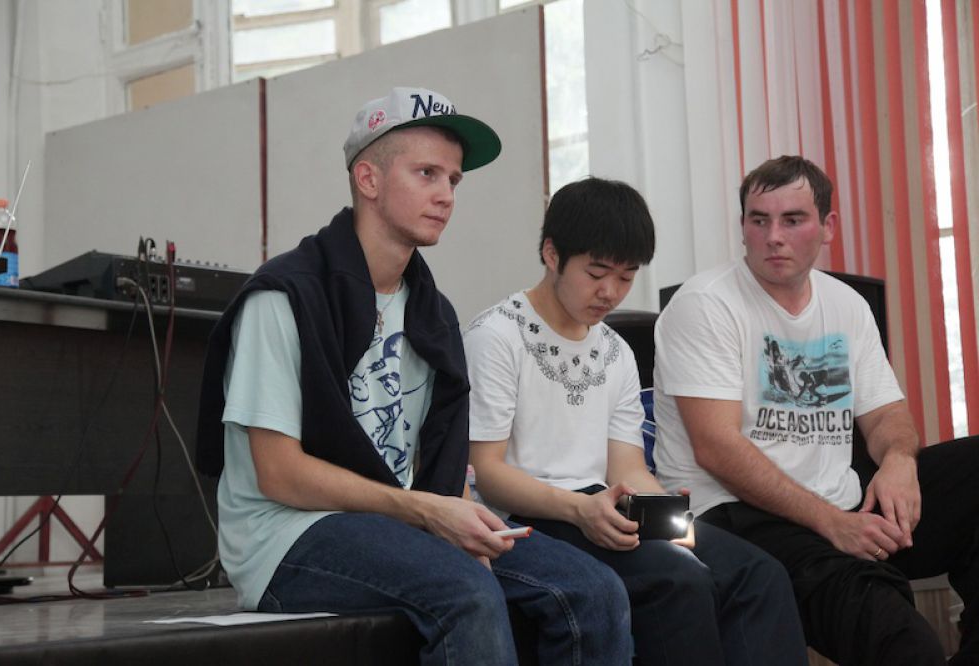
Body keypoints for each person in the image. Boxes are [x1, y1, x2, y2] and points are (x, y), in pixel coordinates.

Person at [195, 87, 634, 665]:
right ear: (368, 179)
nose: (446, 195)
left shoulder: (431, 311)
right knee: (466, 592)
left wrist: (459, 517)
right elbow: (278, 474)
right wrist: (427, 512)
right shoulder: (285, 297)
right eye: (427, 173)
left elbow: (440, 460)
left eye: (453, 180)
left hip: (404, 524)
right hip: (288, 535)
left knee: (594, 590)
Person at [465, 176, 809, 665]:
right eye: (596, 272)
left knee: (757, 573)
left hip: (603, 505)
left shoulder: (615, 350)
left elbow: (626, 470)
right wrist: (580, 510)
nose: (610, 292)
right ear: (551, 253)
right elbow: (486, 472)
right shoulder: (497, 337)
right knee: (678, 579)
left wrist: (670, 516)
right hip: (528, 517)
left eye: (626, 277)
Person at [653, 154, 979, 666]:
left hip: (838, 503)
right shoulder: (705, 305)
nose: (773, 237)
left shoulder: (845, 303)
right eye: (759, 220)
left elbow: (886, 415)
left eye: (792, 220)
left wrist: (899, 462)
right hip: (739, 515)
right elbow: (716, 449)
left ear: (827, 226)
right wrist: (833, 523)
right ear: (743, 227)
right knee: (904, 643)